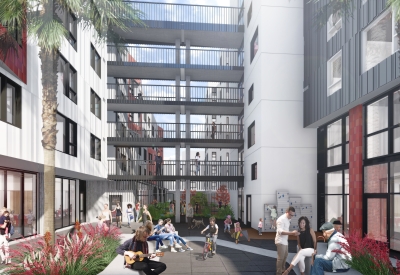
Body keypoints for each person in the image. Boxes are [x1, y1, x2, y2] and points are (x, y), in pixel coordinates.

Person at [275, 206, 300, 275]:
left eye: (293, 215)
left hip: (285, 241)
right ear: (287, 212)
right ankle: (279, 273)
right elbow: (280, 232)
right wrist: (292, 233)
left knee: (285, 256)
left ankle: (283, 270)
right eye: (290, 215)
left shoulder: (288, 218)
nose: (291, 216)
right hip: (280, 241)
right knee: (280, 258)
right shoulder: (281, 219)